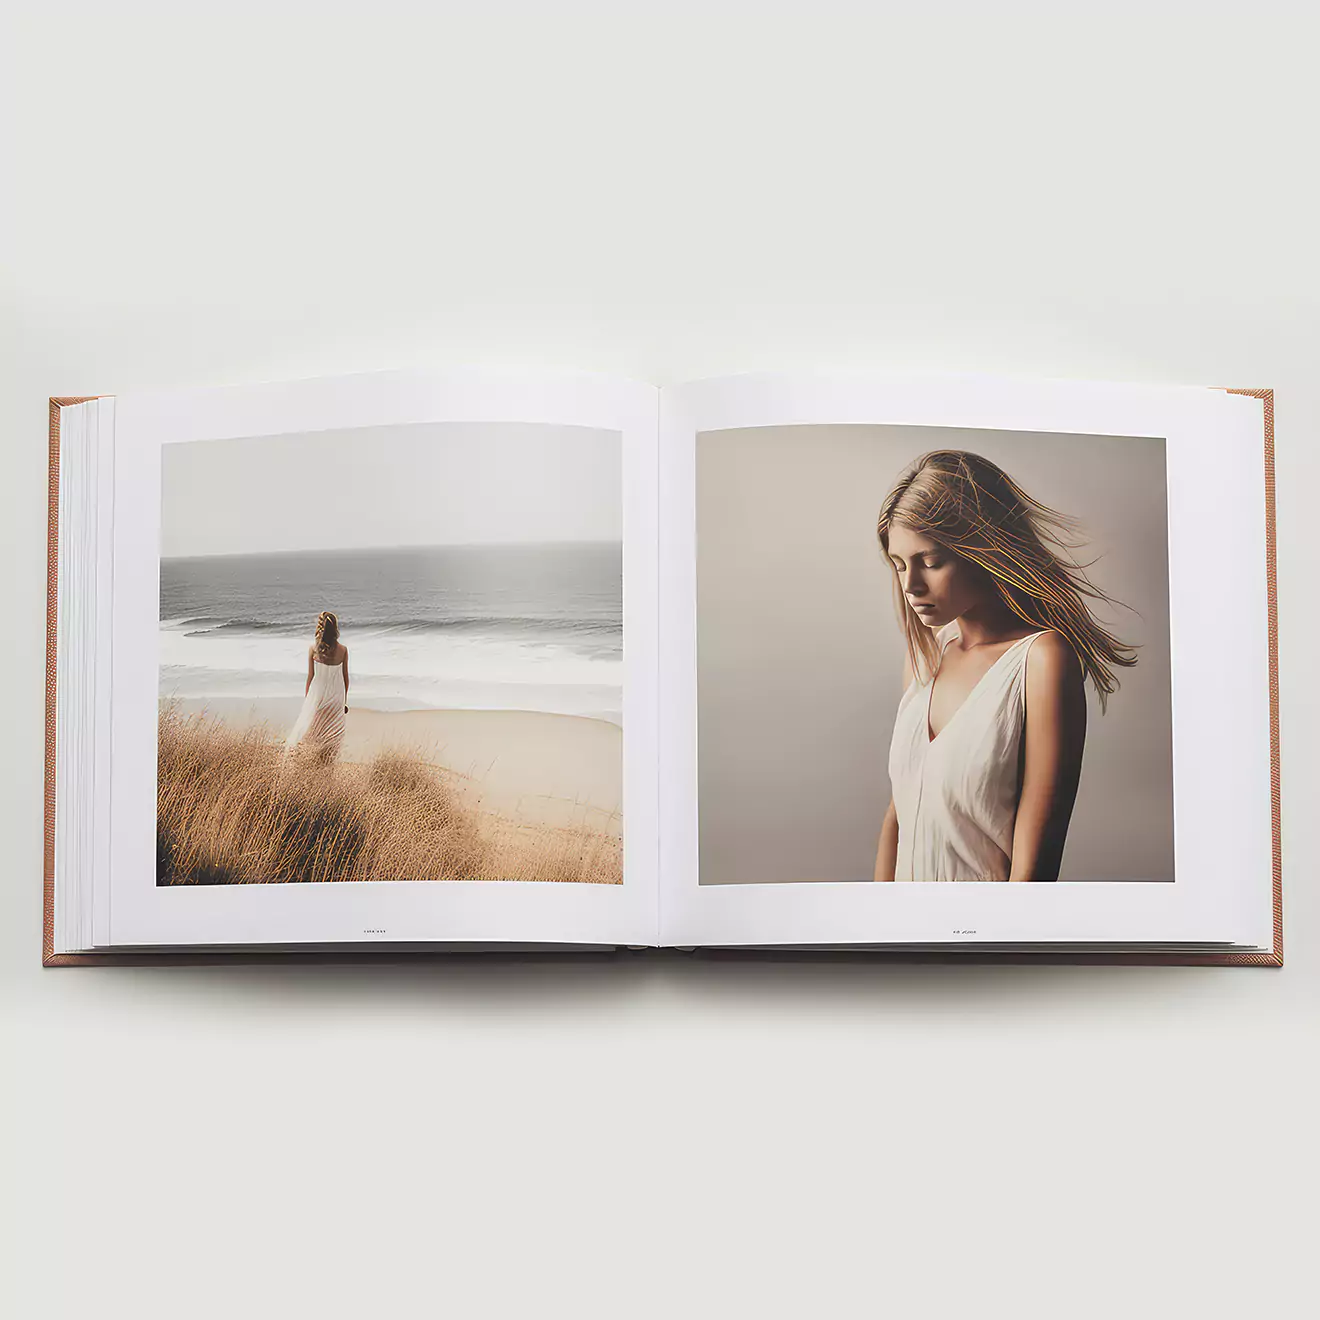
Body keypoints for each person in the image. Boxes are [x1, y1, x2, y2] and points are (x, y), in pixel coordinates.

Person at [874, 451, 1136, 882]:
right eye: (899, 565)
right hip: (905, 936)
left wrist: (995, 946)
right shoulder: (925, 657)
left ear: (982, 548)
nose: (910, 586)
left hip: (985, 939)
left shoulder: (1042, 661)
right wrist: (880, 930)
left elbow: (1037, 859)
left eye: (931, 561)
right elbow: (898, 818)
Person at [284, 610, 350, 764]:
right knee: (332, 737)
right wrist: (344, 702)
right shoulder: (343, 650)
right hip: (335, 699)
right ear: (335, 629)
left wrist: (308, 699)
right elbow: (346, 679)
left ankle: (306, 762)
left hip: (318, 698)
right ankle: (327, 767)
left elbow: (310, 677)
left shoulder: (313, 649)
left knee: (310, 733)